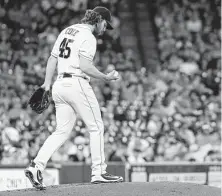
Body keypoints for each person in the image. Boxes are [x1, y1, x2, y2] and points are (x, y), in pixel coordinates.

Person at [24, 6, 123, 190]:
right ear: (98, 19)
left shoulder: (67, 30)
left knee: (61, 131)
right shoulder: (89, 37)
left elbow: (53, 59)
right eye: (104, 24)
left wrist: (46, 83)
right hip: (77, 83)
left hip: (59, 85)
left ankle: (36, 166)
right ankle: (98, 172)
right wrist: (106, 77)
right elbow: (85, 66)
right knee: (96, 126)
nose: (104, 29)